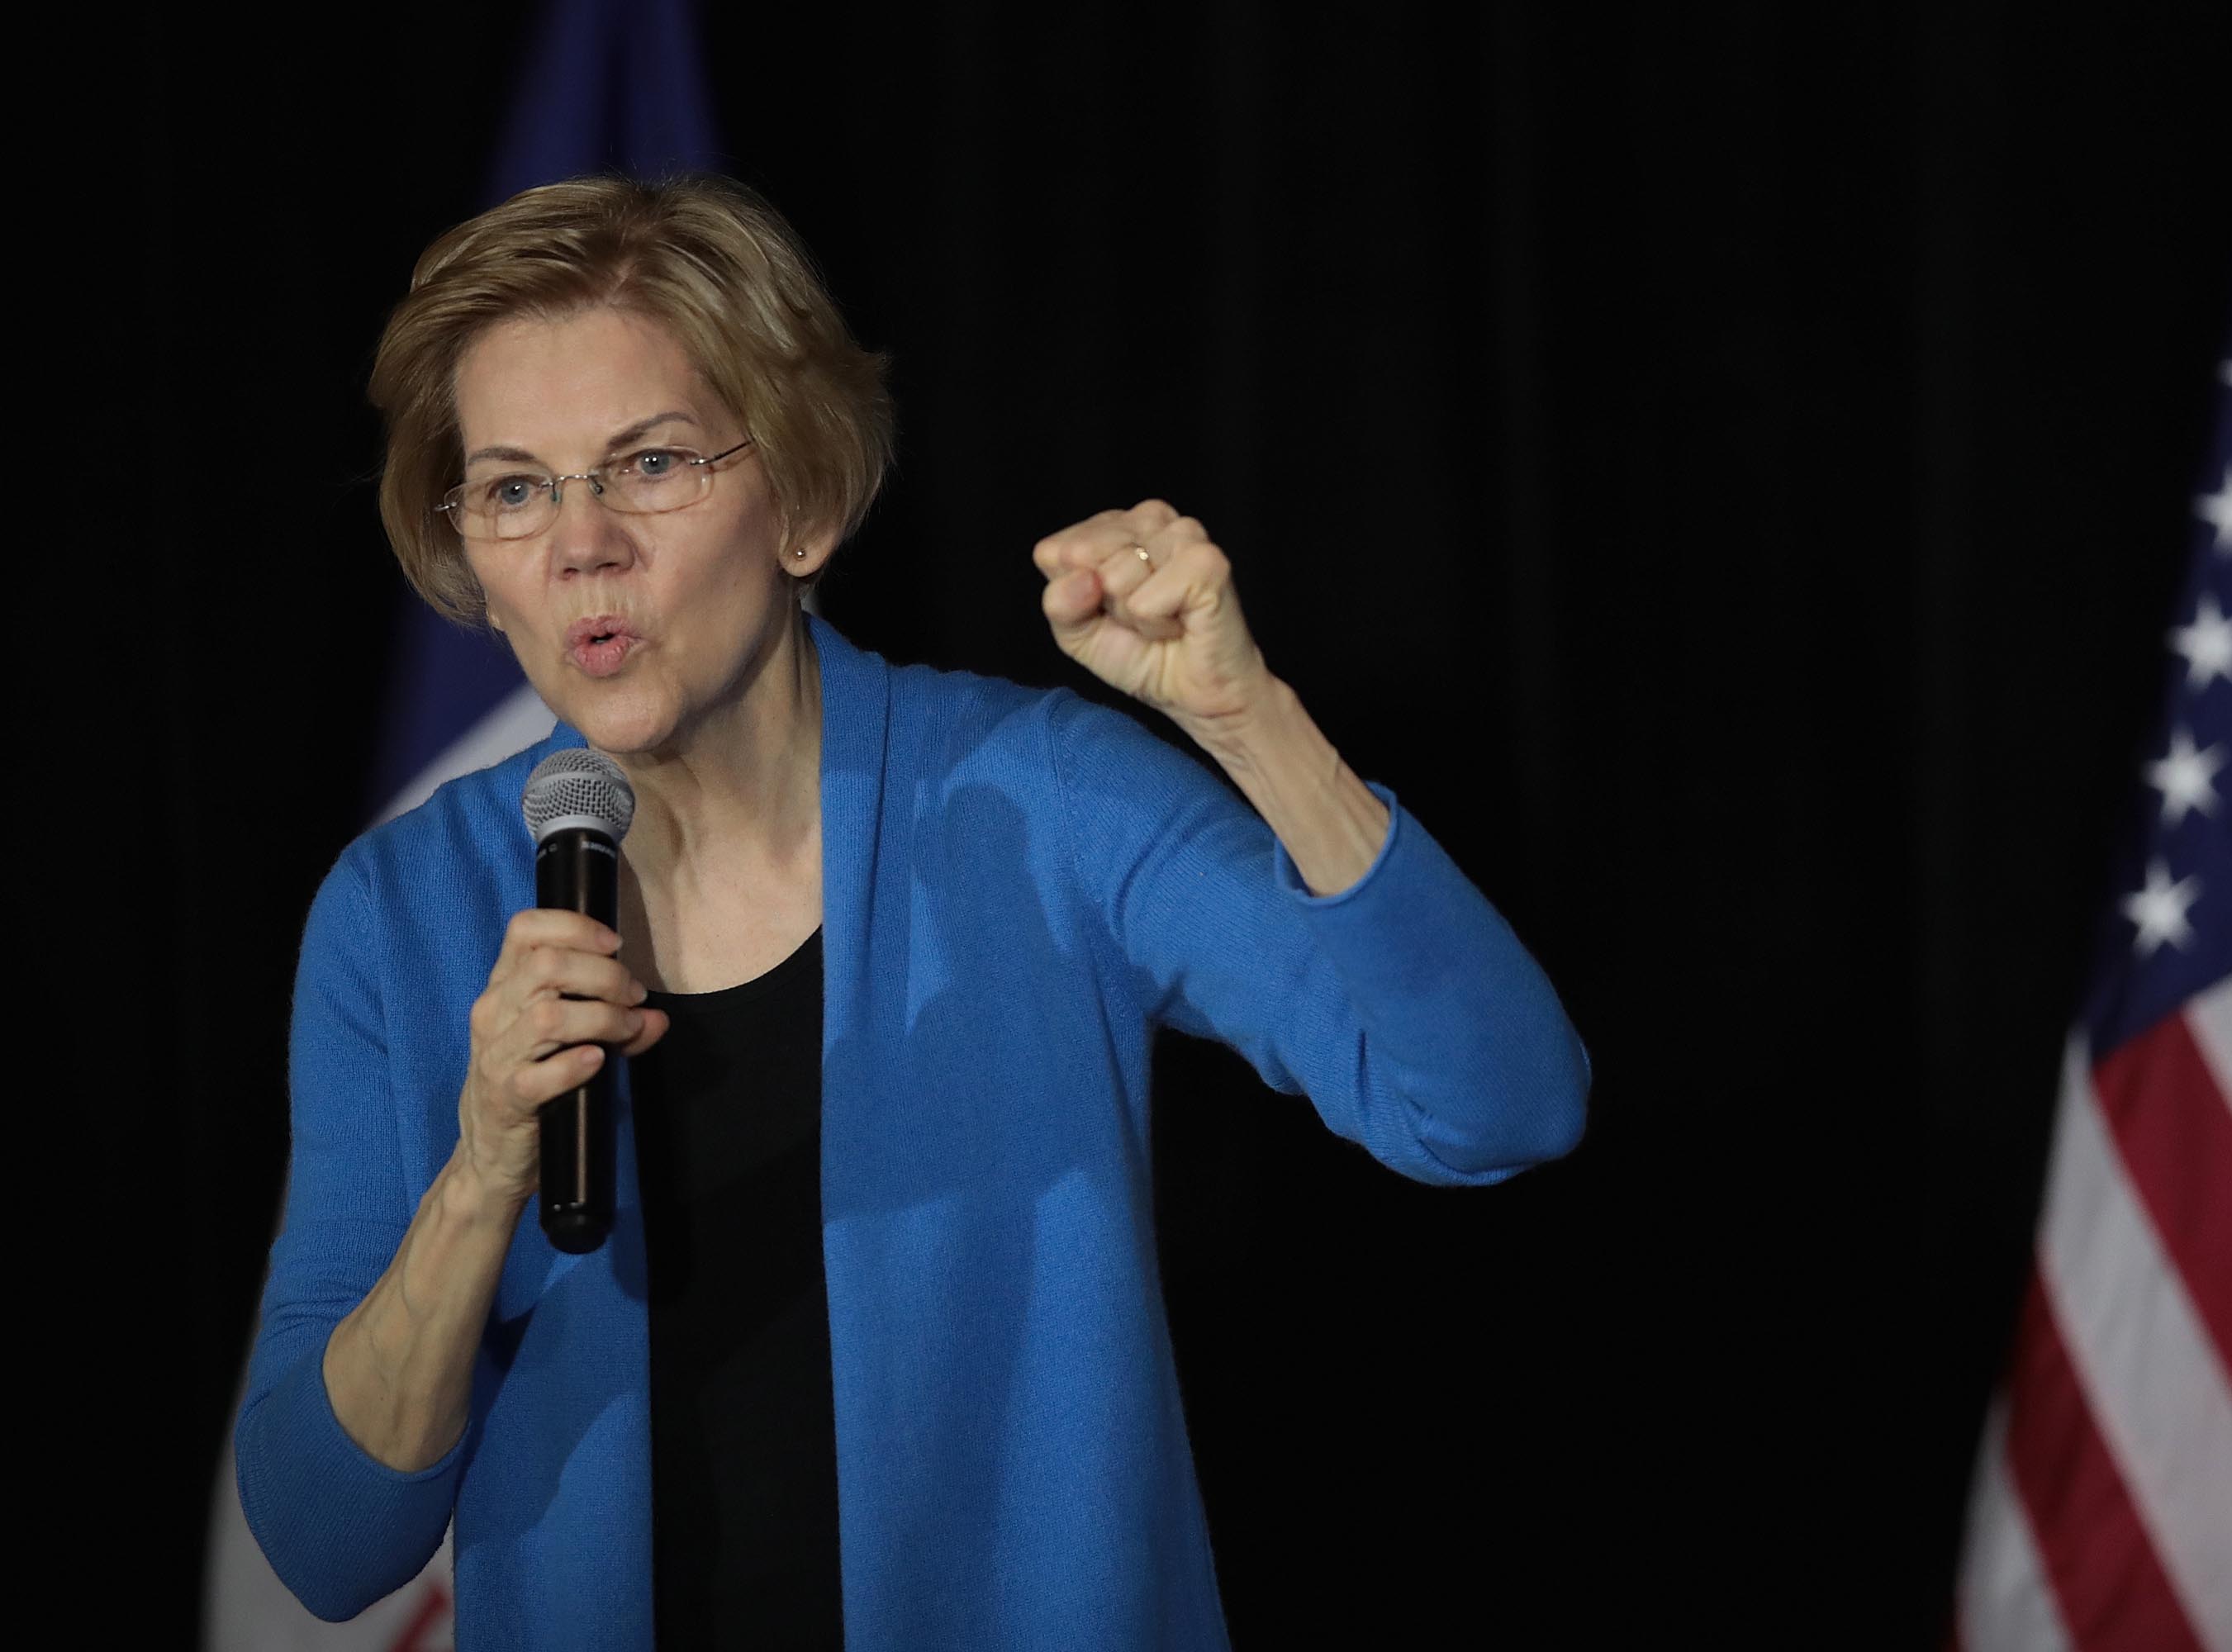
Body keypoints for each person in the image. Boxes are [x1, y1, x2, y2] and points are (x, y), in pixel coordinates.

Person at [233, 173, 1593, 1651]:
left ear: (806, 503)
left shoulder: (1038, 800)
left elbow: (1494, 1104)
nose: (581, 546)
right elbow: (322, 1542)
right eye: (514, 488)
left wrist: (1251, 722)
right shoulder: (403, 913)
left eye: (650, 465)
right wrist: (481, 1176)